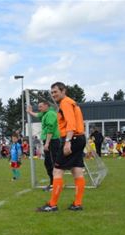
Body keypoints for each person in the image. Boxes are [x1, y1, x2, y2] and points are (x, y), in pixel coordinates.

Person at [37, 82, 86, 212]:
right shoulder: (71, 102)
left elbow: (71, 123)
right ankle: (77, 204)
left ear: (63, 91)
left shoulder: (65, 103)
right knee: (77, 170)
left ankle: (52, 205)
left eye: (55, 92)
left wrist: (68, 141)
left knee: (57, 170)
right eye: (52, 92)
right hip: (79, 138)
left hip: (72, 138)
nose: (53, 95)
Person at [27, 100, 59, 190]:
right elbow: (37, 115)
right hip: (48, 141)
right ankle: (53, 183)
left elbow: (50, 128)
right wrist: (30, 112)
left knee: (53, 163)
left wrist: (47, 143)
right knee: (48, 162)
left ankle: (55, 184)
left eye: (40, 106)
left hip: (52, 141)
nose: (39, 108)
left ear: (46, 106)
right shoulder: (45, 113)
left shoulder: (50, 114)